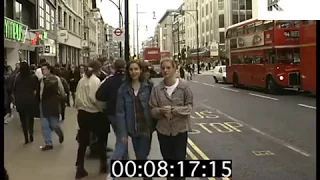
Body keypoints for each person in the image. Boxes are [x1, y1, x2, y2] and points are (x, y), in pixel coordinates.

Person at [106, 60, 155, 180]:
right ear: (128, 72)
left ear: (141, 70)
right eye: (131, 69)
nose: (134, 72)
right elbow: (120, 112)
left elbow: (154, 106)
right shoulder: (123, 89)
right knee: (140, 156)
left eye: (136, 69)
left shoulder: (149, 86)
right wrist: (122, 133)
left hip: (146, 128)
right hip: (132, 128)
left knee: (142, 155)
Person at [149, 58, 193, 180]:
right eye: (163, 68)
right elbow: (152, 110)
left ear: (174, 69)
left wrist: (174, 110)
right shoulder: (156, 89)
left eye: (168, 67)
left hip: (180, 130)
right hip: (163, 131)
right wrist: (161, 111)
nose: (165, 70)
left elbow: (189, 108)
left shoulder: (184, 87)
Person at [75, 60, 107, 179]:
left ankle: (80, 168)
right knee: (101, 139)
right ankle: (103, 165)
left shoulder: (82, 80)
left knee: (82, 143)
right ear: (98, 69)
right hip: (93, 113)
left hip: (82, 113)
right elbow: (94, 98)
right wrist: (102, 109)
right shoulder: (95, 81)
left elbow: (77, 98)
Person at [96, 59, 128, 161]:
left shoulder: (109, 80)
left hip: (112, 113)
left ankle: (125, 159)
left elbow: (99, 95)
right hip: (127, 113)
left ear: (114, 67)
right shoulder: (128, 80)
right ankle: (115, 162)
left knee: (121, 137)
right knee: (122, 138)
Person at [36, 62, 65, 151]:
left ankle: (59, 132)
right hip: (43, 103)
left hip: (52, 103)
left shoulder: (56, 79)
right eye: (42, 69)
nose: (43, 71)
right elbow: (39, 92)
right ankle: (48, 143)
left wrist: (61, 100)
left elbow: (62, 91)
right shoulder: (41, 80)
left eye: (44, 69)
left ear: (49, 69)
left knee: (54, 124)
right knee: (44, 124)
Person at [12, 62, 38, 144]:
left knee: (23, 120)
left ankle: (26, 137)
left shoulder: (17, 78)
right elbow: (36, 89)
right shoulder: (33, 77)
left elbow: (13, 89)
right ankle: (31, 133)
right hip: (30, 101)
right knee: (30, 119)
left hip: (20, 101)